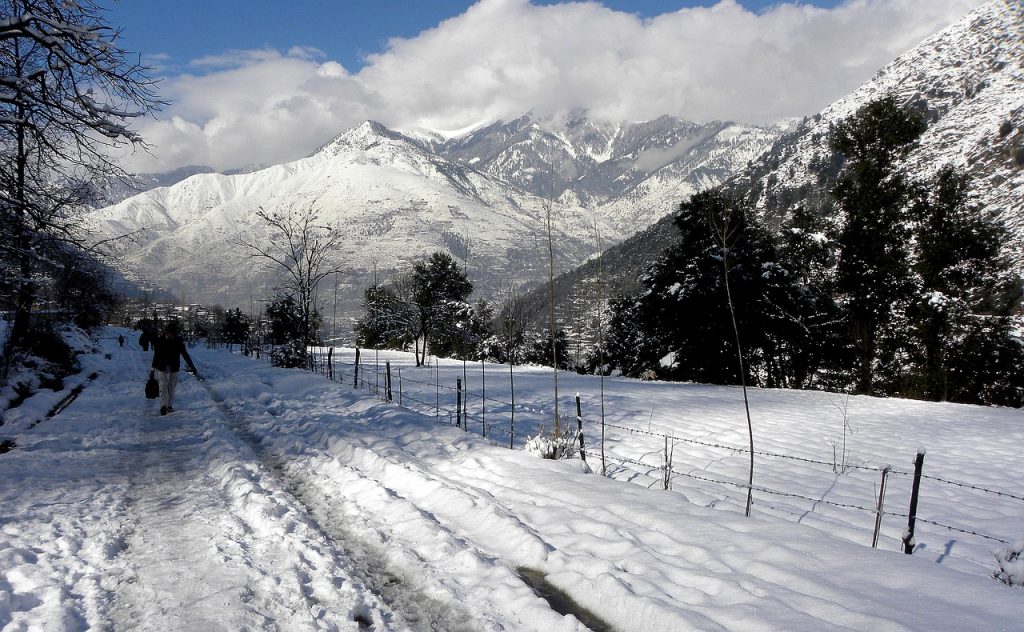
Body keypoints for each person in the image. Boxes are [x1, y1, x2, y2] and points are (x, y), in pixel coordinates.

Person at [151, 321, 199, 415]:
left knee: (171, 386)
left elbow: (185, 354)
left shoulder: (178, 341)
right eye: (169, 334)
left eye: (173, 334)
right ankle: (163, 406)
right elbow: (156, 355)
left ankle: (169, 405)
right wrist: (152, 369)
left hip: (174, 366)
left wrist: (192, 366)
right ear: (166, 332)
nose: (171, 336)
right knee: (163, 386)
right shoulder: (160, 341)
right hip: (161, 366)